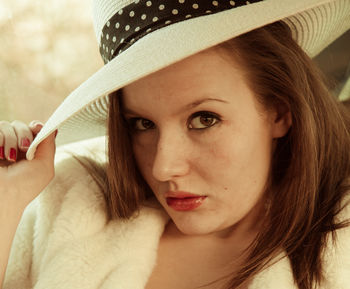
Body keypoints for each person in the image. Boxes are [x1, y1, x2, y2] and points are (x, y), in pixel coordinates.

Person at [1, 0, 350, 288]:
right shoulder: (69, 209)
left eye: (204, 119)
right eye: (142, 124)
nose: (163, 167)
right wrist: (8, 199)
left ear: (279, 112)